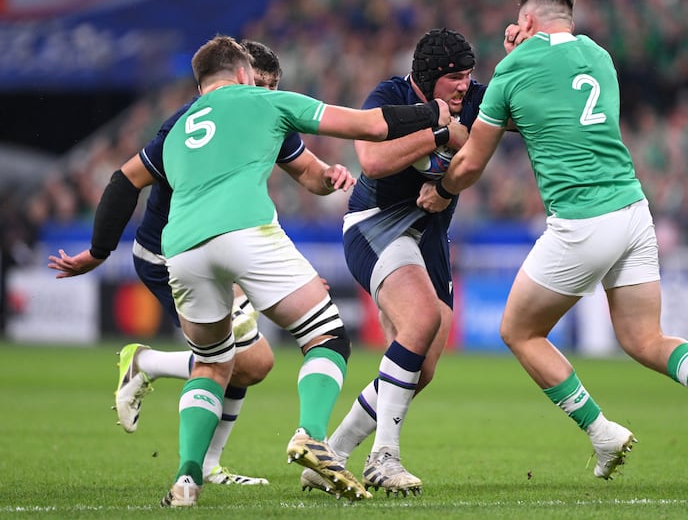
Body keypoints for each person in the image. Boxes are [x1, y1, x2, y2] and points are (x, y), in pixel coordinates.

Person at [417, 0, 688, 480]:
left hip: (582, 220)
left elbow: (471, 164)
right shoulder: (599, 57)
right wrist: (514, 61)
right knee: (644, 338)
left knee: (518, 331)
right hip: (634, 211)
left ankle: (603, 433)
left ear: (526, 21)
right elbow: (552, 110)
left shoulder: (514, 69)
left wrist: (440, 191)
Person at [90, 34, 447, 507]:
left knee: (214, 364)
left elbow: (121, 182)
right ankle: (313, 436)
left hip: (180, 250)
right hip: (242, 232)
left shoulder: (176, 126)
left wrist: (96, 253)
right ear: (243, 73)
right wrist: (434, 118)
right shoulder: (264, 102)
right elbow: (369, 126)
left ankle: (187, 478)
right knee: (327, 335)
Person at [48, 40, 357, 487]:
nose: (265, 96)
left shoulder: (267, 112)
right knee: (242, 361)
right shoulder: (191, 120)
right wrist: (99, 251)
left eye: (273, 88)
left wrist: (330, 178)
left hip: (218, 248)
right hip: (170, 253)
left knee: (251, 363)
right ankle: (151, 370)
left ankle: (203, 465)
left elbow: (306, 177)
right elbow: (129, 182)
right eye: (261, 85)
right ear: (242, 78)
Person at [300, 28, 483, 497]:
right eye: (455, 78)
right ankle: (384, 457)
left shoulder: (476, 99)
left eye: (469, 76)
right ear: (429, 78)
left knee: (421, 369)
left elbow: (518, 113)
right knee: (419, 321)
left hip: (431, 236)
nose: (465, 85)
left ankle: (333, 453)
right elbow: (373, 160)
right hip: (378, 223)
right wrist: (440, 133)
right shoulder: (391, 96)